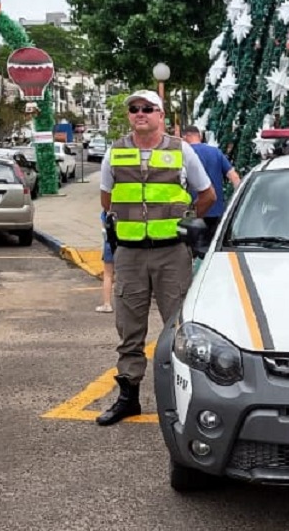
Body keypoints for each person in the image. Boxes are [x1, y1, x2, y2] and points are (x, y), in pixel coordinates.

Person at [96, 89, 216, 426]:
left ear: (161, 115)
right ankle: (128, 397)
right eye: (134, 109)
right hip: (130, 255)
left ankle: (183, 398)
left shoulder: (182, 151)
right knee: (129, 330)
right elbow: (107, 201)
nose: (140, 113)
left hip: (171, 253)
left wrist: (185, 217)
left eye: (147, 108)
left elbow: (207, 195)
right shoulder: (115, 153)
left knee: (177, 329)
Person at [181, 126, 241, 241]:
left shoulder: (183, 154)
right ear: (200, 136)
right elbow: (234, 177)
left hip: (193, 214)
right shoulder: (216, 152)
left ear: (185, 137)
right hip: (216, 212)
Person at [96, 210, 114, 313]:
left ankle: (107, 304)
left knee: (108, 274)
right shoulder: (125, 208)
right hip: (125, 245)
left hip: (109, 244)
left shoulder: (105, 212)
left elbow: (104, 229)